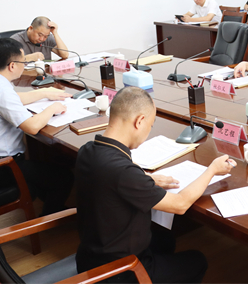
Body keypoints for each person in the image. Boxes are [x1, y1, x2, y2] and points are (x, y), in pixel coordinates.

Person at [75, 87, 235, 283]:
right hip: (122, 271)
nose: (148, 132)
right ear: (139, 121)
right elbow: (180, 204)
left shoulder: (87, 150)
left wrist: (145, 178)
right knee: (197, 260)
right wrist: (212, 170)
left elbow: (115, 175)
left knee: (166, 240)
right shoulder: (123, 173)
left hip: (91, 256)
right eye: (150, 126)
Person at [0, 38, 73, 215]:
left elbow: (13, 99)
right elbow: (32, 127)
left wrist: (45, 93)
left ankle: (48, 202)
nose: (25, 66)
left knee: (48, 168)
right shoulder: (0, 91)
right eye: (24, 62)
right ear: (12, 66)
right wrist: (52, 108)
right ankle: (49, 218)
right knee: (64, 177)